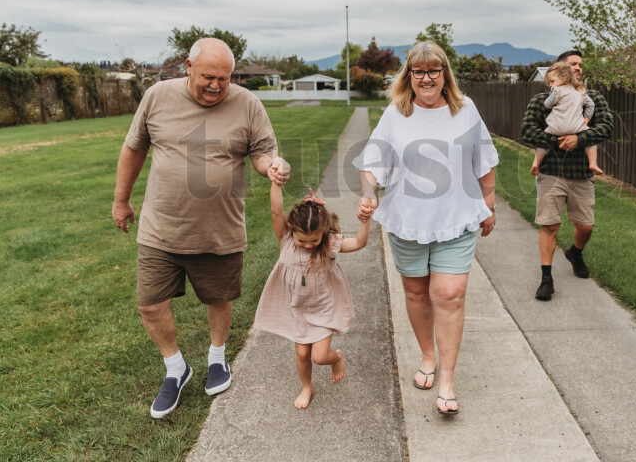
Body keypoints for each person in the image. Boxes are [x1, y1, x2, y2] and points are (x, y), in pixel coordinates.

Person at [112, 37, 290, 419]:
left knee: (218, 298)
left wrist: (271, 166)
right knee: (149, 303)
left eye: (224, 78)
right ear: (188, 67)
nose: (216, 85)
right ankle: (176, 368)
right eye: (209, 76)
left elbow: (262, 153)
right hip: (161, 228)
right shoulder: (157, 96)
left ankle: (216, 358)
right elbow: (134, 147)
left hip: (219, 230)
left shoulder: (247, 103)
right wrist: (121, 199)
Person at [353, 41, 499, 415]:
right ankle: (428, 356)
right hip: (408, 221)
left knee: (449, 294)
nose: (427, 78)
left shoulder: (465, 111)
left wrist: (489, 204)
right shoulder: (396, 115)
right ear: (409, 76)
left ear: (445, 74)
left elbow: (484, 159)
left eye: (434, 70)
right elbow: (372, 165)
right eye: (419, 71)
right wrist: (369, 193)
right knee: (417, 293)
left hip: (457, 217)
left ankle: (447, 381)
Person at [253, 181, 372, 409]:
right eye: (302, 241)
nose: (308, 245)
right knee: (301, 353)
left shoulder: (328, 245)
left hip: (322, 308)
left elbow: (359, 243)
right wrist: (276, 184)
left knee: (319, 356)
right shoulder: (286, 240)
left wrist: (364, 221)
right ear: (292, 232)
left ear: (323, 233)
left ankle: (336, 357)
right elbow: (276, 210)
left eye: (314, 240)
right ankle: (306, 386)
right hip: (298, 308)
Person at [521, 50, 613, 301]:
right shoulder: (543, 99)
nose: (578, 68)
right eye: (573, 64)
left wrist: (579, 139)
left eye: (581, 64)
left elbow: (607, 126)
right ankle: (546, 279)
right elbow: (527, 130)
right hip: (551, 171)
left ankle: (576, 252)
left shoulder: (590, 97)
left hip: (581, 173)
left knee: (585, 225)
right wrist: (557, 141)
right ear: (560, 69)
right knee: (550, 225)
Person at [529, 62, 602, 177]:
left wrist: (553, 94)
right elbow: (591, 105)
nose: (550, 85)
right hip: (576, 127)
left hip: (556, 127)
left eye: (552, 81)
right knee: (590, 141)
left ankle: (536, 163)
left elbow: (547, 105)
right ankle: (593, 163)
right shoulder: (581, 92)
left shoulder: (557, 91)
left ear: (563, 77)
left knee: (543, 144)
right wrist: (586, 119)